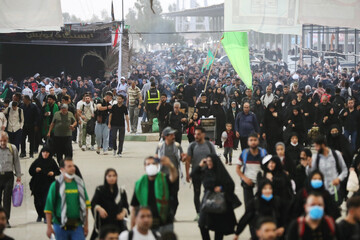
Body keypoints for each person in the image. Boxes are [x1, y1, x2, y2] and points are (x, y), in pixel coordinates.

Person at [192, 154, 237, 240]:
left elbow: (231, 185)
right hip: (207, 202)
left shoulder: (221, 172)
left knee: (219, 228)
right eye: (207, 161)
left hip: (219, 203)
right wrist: (200, 165)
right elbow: (193, 175)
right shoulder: (205, 171)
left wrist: (221, 188)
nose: (209, 163)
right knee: (202, 225)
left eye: (210, 161)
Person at [44, 158, 91, 240]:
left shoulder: (79, 184)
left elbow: (86, 206)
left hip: (77, 225)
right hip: (59, 225)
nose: (73, 168)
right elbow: (48, 208)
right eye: (69, 166)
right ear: (62, 169)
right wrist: (49, 227)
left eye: (73, 166)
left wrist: (86, 225)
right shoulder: (55, 186)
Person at [130, 156, 178, 234]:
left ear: (158, 166)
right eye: (148, 164)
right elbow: (134, 208)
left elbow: (174, 177)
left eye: (154, 163)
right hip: (147, 225)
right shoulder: (140, 184)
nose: (151, 166)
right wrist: (132, 229)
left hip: (165, 223)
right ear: (144, 167)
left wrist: (170, 165)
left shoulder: (164, 179)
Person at [184, 126, 216, 220]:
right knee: (196, 193)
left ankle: (207, 212)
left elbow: (214, 159)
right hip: (196, 173)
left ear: (203, 134)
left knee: (208, 193)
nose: (196, 136)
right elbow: (188, 161)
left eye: (198, 134)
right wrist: (187, 174)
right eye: (195, 134)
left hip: (208, 173)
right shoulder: (192, 145)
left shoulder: (209, 145)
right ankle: (198, 213)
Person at [307, 135, 348, 205]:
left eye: (317, 146)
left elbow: (345, 170)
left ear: (323, 145)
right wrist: (309, 166)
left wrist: (339, 179)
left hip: (335, 190)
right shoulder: (315, 157)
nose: (315, 149)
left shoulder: (336, 154)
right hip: (322, 191)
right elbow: (309, 174)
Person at [90, 169, 129, 240]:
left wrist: (123, 213)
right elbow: (93, 203)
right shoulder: (100, 190)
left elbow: (126, 206)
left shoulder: (121, 191)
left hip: (118, 223)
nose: (112, 178)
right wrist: (99, 208)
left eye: (114, 176)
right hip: (104, 222)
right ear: (105, 177)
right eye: (109, 176)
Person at [155, 127, 184, 216]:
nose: (173, 136)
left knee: (174, 195)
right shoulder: (160, 146)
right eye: (171, 135)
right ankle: (167, 214)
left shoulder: (177, 146)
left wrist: (184, 158)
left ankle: (172, 214)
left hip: (174, 174)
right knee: (164, 195)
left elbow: (182, 157)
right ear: (166, 136)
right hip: (163, 174)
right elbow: (156, 159)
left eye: (173, 134)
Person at [29, 146, 60, 223]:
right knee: (38, 202)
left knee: (46, 200)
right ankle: (40, 214)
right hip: (38, 184)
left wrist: (53, 173)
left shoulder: (52, 161)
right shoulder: (37, 161)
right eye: (43, 152)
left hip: (48, 184)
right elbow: (30, 171)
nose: (45, 154)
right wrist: (35, 170)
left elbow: (58, 171)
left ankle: (46, 216)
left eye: (47, 152)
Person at [236, 133, 267, 208]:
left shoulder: (263, 153)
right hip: (248, 184)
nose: (253, 142)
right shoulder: (244, 153)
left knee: (261, 207)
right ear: (248, 142)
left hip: (260, 184)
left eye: (255, 140)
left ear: (258, 141)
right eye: (251, 140)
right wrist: (245, 178)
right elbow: (238, 169)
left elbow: (268, 168)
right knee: (249, 207)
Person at [0, 131, 21, 227]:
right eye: (1, 141)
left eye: (4, 141)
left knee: (7, 199)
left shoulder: (13, 148)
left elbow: (16, 162)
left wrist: (18, 175)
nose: (3, 143)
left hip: (8, 176)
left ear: (7, 140)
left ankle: (6, 219)